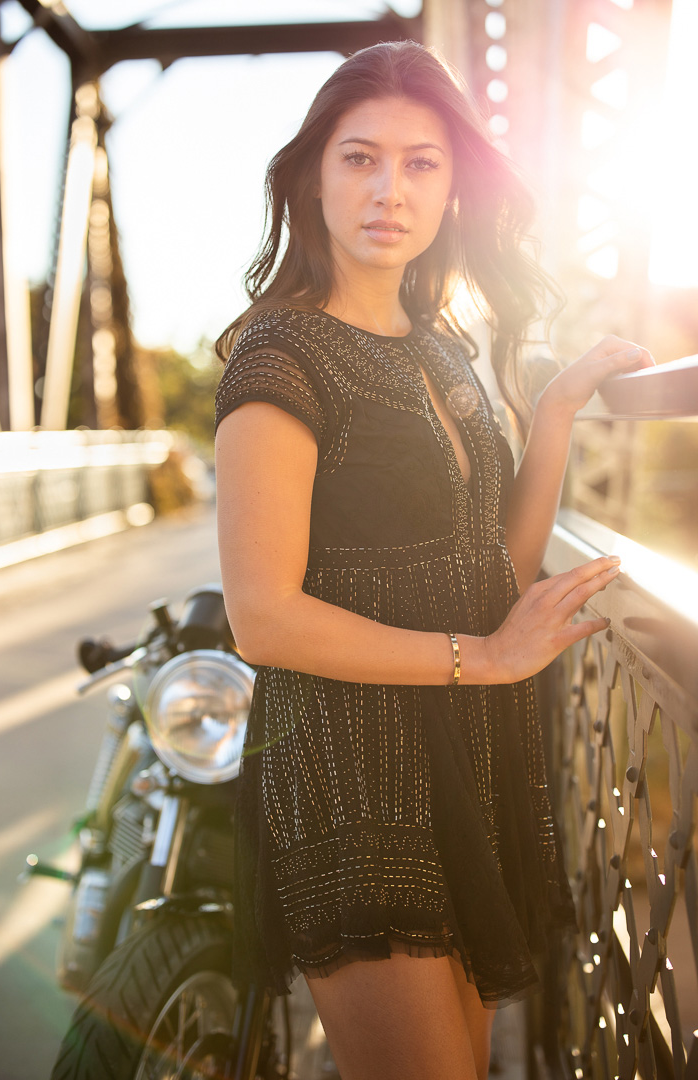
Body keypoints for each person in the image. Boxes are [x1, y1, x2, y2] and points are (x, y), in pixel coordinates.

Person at [213, 40, 653, 1080]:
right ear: (312, 176)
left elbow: (491, 564)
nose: (389, 192)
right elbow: (262, 617)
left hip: (463, 759)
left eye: (422, 164)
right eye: (360, 159)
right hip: (352, 769)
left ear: (454, 187)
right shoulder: (280, 358)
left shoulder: (440, 347)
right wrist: (487, 659)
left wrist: (551, 411)